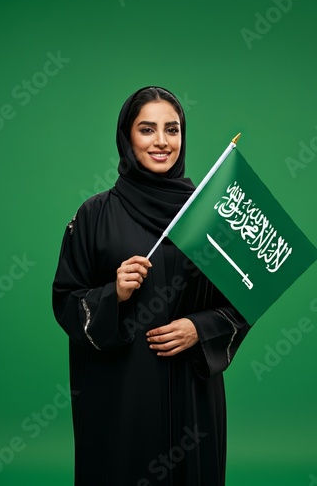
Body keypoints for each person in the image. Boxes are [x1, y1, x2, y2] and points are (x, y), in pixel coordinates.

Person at [52, 86, 251, 485]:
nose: (162, 142)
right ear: (127, 137)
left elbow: (243, 300)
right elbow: (66, 301)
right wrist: (115, 293)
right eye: (147, 129)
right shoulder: (94, 215)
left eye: (172, 130)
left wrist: (200, 328)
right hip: (120, 395)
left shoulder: (211, 213)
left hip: (192, 396)